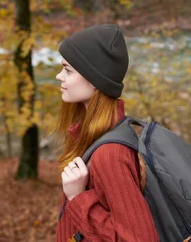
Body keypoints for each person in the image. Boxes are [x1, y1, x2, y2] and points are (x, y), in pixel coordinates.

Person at [54, 24, 159, 242]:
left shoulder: (110, 154)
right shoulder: (96, 136)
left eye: (68, 70)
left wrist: (77, 198)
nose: (58, 76)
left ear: (94, 80)